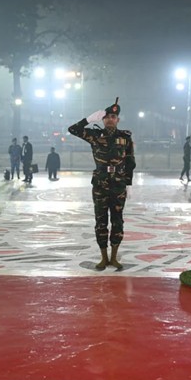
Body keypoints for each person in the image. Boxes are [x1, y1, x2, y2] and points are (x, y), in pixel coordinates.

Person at [68, 97, 136, 271]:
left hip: (118, 185)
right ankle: (103, 257)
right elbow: (73, 129)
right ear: (103, 119)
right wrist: (89, 120)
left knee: (117, 221)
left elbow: (130, 162)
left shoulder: (125, 138)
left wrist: (128, 183)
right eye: (107, 117)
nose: (110, 119)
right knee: (100, 221)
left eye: (113, 117)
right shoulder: (95, 135)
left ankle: (114, 257)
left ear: (118, 120)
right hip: (100, 184)